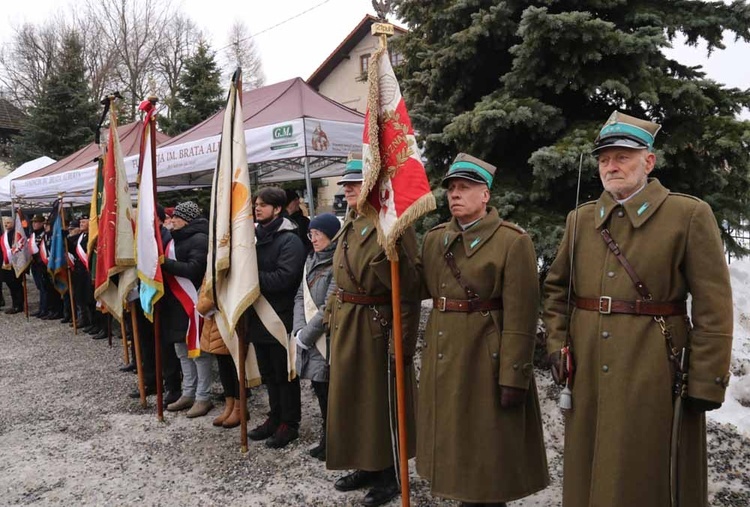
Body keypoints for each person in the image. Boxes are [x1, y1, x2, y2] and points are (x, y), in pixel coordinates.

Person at [543, 111, 734, 507]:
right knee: (589, 469)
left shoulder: (687, 216)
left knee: (647, 472)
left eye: (622, 157)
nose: (611, 166)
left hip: (654, 369)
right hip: (589, 368)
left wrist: (705, 380)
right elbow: (557, 289)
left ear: (648, 161)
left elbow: (714, 306)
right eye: (604, 159)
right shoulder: (580, 221)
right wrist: (557, 344)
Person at [417, 153, 549, 506]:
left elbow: (522, 318)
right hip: (444, 358)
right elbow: (418, 288)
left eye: (465, 187)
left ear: (485, 195)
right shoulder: (434, 239)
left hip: (483, 360)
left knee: (486, 454)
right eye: (451, 189)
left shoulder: (512, 242)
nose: (455, 195)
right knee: (455, 446)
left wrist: (514, 376)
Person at [326, 153, 421, 507]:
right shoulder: (352, 222)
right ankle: (367, 462)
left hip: (376, 325)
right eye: (346, 184)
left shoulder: (390, 224)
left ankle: (389, 473)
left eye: (355, 183)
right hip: (349, 322)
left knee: (379, 404)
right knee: (354, 401)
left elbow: (410, 288)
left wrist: (403, 343)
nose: (348, 189)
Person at [244, 187, 306, 449]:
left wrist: (251, 279)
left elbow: (285, 278)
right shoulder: (253, 238)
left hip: (280, 318)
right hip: (258, 317)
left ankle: (289, 423)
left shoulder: (290, 240)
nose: (257, 208)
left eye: (263, 205)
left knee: (284, 375)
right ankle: (275, 415)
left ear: (277, 209)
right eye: (256, 204)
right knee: (269, 373)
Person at [292, 212, 340, 461]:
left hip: (327, 340)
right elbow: (301, 297)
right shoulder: (310, 260)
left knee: (330, 392)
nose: (314, 238)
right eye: (311, 234)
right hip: (309, 338)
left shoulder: (337, 263)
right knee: (319, 390)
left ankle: (335, 440)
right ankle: (327, 437)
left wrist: (308, 334)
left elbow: (328, 306)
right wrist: (299, 330)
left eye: (319, 234)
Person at [162, 201, 215, 418]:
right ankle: (188, 392)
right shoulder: (176, 239)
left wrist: (165, 263)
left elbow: (195, 270)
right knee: (182, 351)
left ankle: (204, 396)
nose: (172, 220)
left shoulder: (199, 238)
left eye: (176, 217)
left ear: (186, 219)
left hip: (193, 302)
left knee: (198, 352)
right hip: (176, 304)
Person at [1, 215, 25, 314]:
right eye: (5, 223)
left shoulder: (16, 234)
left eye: (8, 222)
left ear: (13, 223)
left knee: (17, 285)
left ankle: (19, 305)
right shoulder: (4, 236)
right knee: (10, 285)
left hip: (15, 263)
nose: (6, 224)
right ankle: (15, 304)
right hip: (6, 264)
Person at [28, 215, 50, 318]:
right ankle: (41, 308)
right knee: (39, 287)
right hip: (35, 264)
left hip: (42, 264)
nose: (34, 224)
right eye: (33, 222)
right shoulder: (33, 235)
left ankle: (45, 309)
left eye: (36, 222)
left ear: (42, 223)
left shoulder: (44, 234)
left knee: (44, 287)